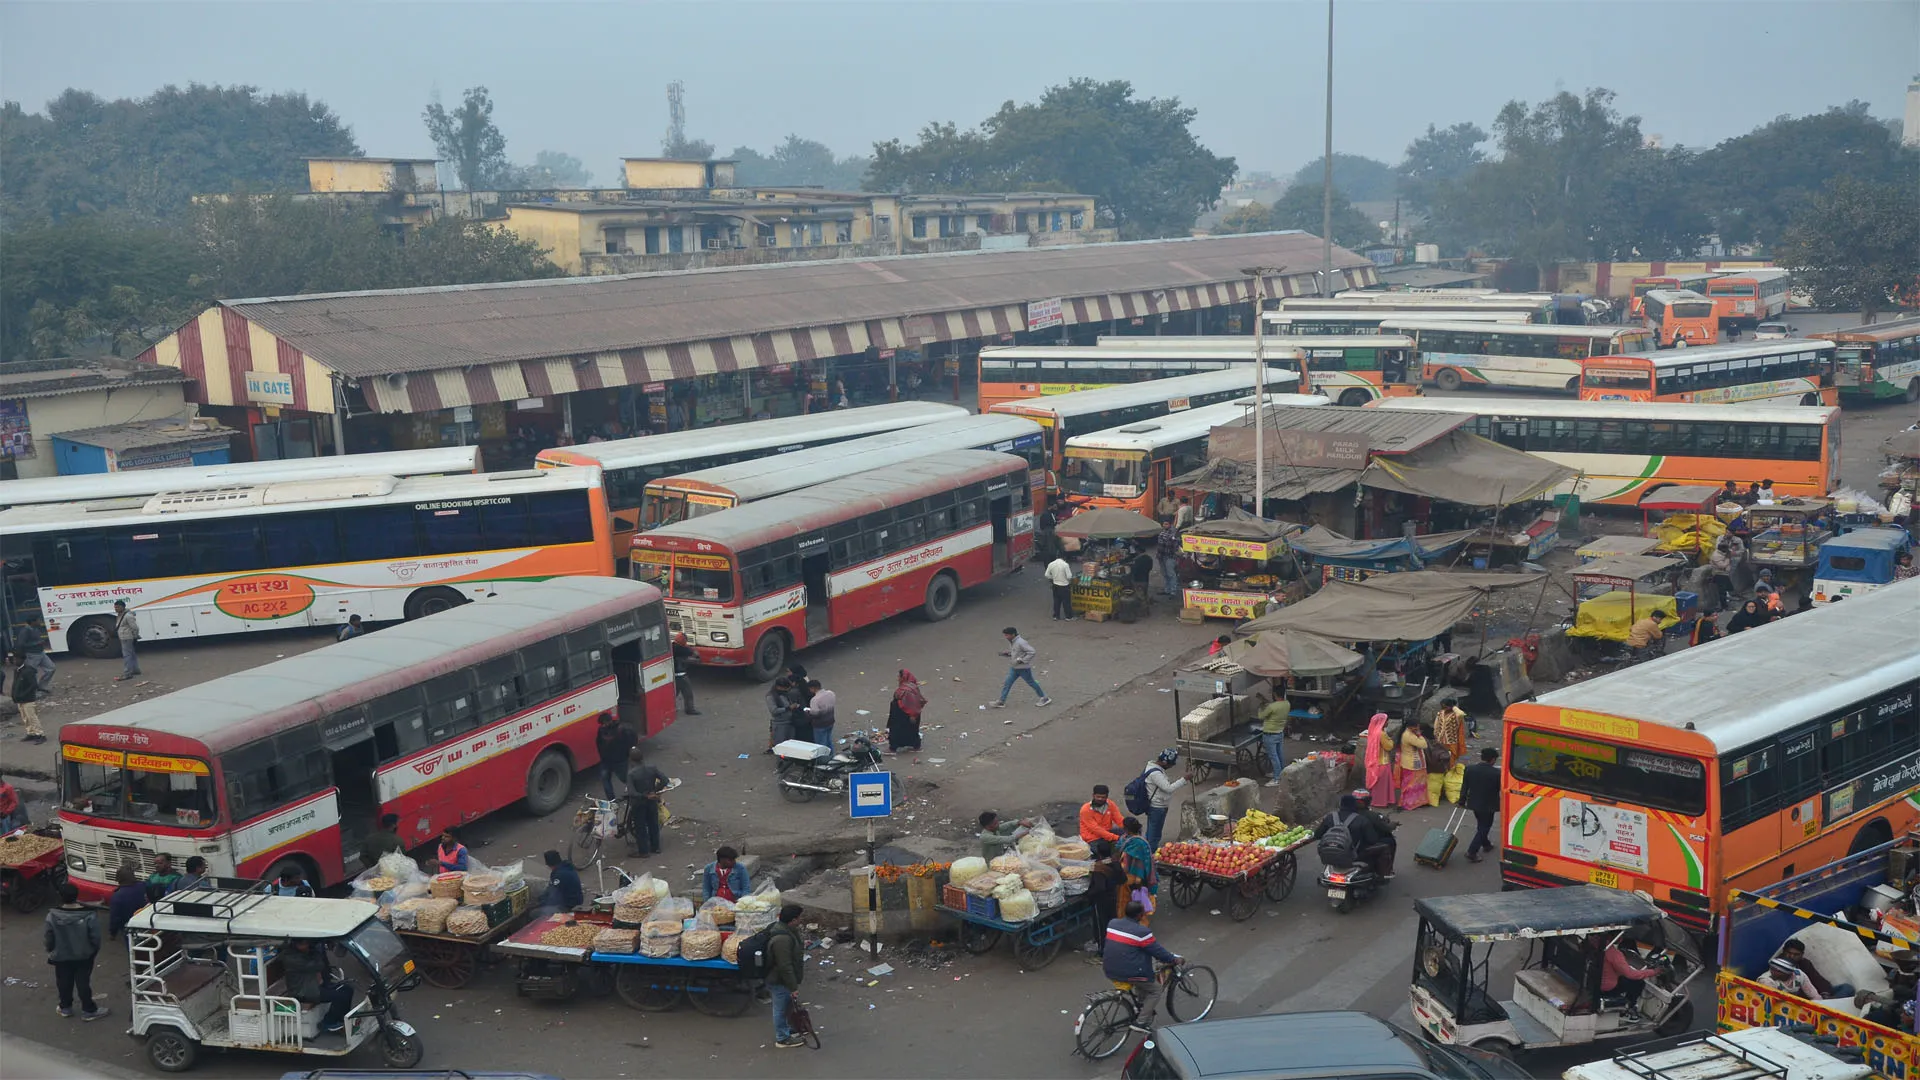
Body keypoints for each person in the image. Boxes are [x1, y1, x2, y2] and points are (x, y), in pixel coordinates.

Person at [1103, 900, 1182, 1033]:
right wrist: (1173, 959)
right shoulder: (1142, 932)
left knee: (1142, 983)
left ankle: (1139, 1006)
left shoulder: (1113, 923)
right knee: (1155, 990)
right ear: (1140, 915)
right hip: (1130, 972)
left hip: (1109, 968)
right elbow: (1157, 951)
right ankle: (1140, 1022)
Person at [44, 881, 108, 1021]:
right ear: (76, 895)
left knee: (63, 982)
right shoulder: (89, 915)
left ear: (60, 896)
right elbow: (95, 938)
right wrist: (92, 951)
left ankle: (65, 1007)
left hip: (61, 956)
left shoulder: (52, 916)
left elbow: (49, 938)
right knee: (83, 982)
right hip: (84, 956)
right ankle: (88, 1010)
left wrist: (50, 950)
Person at [283, 937, 355, 1033]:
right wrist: (316, 951)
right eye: (304, 944)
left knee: (347, 989)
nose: (307, 945)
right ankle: (328, 1022)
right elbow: (318, 965)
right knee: (340, 996)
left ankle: (340, 1019)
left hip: (314, 985)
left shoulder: (302, 953)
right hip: (304, 992)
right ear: (296, 944)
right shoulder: (292, 958)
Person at [1314, 793, 1391, 878]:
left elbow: (1317, 835)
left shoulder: (1330, 817)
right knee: (1384, 846)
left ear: (1340, 804)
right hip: (1354, 856)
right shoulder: (1361, 820)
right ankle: (1382, 876)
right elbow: (1372, 840)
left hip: (1328, 855)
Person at [766, 902, 807, 1048]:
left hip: (783, 978)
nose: (801, 920)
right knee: (780, 1008)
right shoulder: (782, 939)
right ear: (793, 920)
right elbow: (785, 966)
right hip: (779, 979)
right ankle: (782, 1038)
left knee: (787, 1005)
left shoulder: (788, 930)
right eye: (799, 918)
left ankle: (790, 1029)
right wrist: (793, 986)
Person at [1601, 938, 1664, 1021]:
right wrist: (1654, 972)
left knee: (1624, 978)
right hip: (1607, 988)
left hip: (1594, 982)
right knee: (1638, 982)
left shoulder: (1594, 945)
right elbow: (1631, 974)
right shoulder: (1613, 953)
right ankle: (1628, 1008)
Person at [992, 627, 1051, 708]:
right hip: (1015, 667)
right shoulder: (1012, 641)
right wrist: (1008, 654)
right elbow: (1017, 653)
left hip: (1023, 668)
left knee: (1031, 683)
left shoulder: (1021, 642)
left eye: (1007, 635)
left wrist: (1022, 660)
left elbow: (1032, 652)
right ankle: (1001, 701)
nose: (1006, 637)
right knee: (1007, 683)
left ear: (1013, 634)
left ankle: (1044, 698)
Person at [1142, 748, 1187, 851]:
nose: (1171, 767)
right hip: (1157, 807)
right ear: (1164, 762)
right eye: (1171, 764)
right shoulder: (1155, 773)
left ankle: (1148, 850)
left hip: (1158, 806)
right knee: (1154, 834)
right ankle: (1150, 854)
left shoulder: (1154, 768)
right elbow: (1168, 788)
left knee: (1153, 832)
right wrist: (1184, 779)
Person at [625, 749, 668, 856]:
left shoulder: (631, 774)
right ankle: (656, 847)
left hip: (639, 803)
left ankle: (643, 851)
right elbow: (665, 780)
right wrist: (655, 791)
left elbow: (632, 792)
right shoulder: (652, 768)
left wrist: (645, 796)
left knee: (641, 827)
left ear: (630, 760)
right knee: (653, 824)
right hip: (652, 801)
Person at [1462, 748, 1502, 863]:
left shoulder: (1470, 769)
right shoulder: (1496, 773)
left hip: (1474, 803)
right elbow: (1499, 789)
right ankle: (1472, 851)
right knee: (1485, 827)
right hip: (1489, 805)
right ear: (1493, 760)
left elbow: (1464, 787)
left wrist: (1461, 801)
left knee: (1481, 824)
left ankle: (1486, 844)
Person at [1117, 817, 1156, 924]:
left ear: (1126, 829)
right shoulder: (1140, 842)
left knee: (1129, 901)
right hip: (1134, 877)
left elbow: (1135, 864)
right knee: (1136, 902)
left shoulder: (1131, 841)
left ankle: (1129, 924)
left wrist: (1138, 880)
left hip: (1133, 878)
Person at [1351, 789, 1399, 876]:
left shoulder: (1341, 814)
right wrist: (1393, 825)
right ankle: (1386, 871)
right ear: (1368, 801)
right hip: (1362, 848)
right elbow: (1386, 828)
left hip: (1345, 847)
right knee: (1390, 841)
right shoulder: (1372, 816)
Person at [1778, 938, 1844, 998]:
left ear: (1802, 955)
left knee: (1847, 988)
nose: (1791, 956)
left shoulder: (1805, 963)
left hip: (1815, 994)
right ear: (1783, 951)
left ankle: (1830, 1003)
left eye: (1796, 954)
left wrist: (1825, 994)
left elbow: (1818, 979)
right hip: (1798, 998)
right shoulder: (1776, 964)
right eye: (1788, 953)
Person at [595, 713, 638, 796]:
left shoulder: (622, 730)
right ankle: (612, 800)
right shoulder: (601, 730)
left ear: (609, 721)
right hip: (606, 761)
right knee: (605, 779)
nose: (603, 725)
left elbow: (631, 741)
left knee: (624, 778)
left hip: (620, 760)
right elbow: (599, 743)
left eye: (604, 723)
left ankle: (635, 791)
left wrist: (627, 753)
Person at [7, 652, 45, 744]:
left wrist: (24, 694)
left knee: (32, 717)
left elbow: (33, 685)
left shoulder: (28, 671)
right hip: (20, 699)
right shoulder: (17, 670)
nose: (15, 661)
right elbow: (15, 684)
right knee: (25, 717)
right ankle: (31, 733)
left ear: (22, 660)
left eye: (16, 659)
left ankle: (40, 734)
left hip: (28, 699)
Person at [1257, 685, 1290, 787]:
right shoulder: (1287, 704)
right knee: (1279, 754)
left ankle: (1276, 779)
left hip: (1270, 734)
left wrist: (1261, 706)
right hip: (1279, 732)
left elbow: (1261, 716)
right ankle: (1280, 773)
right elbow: (1274, 708)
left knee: (1273, 756)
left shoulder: (1272, 707)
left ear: (1275, 694)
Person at [1084, 839, 1125, 920]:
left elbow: (1100, 887)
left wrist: (1089, 894)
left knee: (1102, 923)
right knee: (1113, 918)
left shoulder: (1099, 868)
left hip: (1102, 901)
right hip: (1114, 897)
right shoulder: (1116, 863)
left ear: (1099, 854)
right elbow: (1123, 879)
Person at [887, 669, 926, 752]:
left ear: (903, 677)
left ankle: (893, 748)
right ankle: (915, 745)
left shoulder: (906, 690)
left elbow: (912, 703)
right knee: (911, 730)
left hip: (903, 715)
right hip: (906, 714)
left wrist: (912, 715)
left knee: (897, 730)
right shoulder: (912, 687)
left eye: (899, 676)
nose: (898, 679)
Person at [14, 616, 54, 693]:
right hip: (31, 655)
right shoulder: (25, 631)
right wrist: (37, 643)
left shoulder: (35, 628)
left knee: (51, 668)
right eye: (38, 620)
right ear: (33, 622)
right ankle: (33, 691)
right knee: (31, 673)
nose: (40, 622)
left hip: (41, 653)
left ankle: (41, 686)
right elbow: (21, 644)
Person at [107, 861, 147, 939]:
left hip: (129, 927)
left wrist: (113, 933)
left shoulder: (117, 896)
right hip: (146, 923)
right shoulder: (143, 886)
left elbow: (115, 917)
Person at [1364, 713, 1395, 806]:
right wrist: (1391, 740)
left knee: (1377, 785)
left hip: (1373, 761)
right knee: (1382, 785)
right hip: (1383, 762)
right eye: (1387, 720)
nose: (1388, 722)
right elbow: (1389, 747)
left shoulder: (1372, 731)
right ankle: (1380, 802)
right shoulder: (1382, 734)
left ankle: (1375, 801)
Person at [1397, 724, 1430, 811]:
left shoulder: (1409, 733)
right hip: (1411, 764)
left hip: (1415, 763)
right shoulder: (1409, 735)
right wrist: (1419, 735)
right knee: (1410, 785)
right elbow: (1423, 745)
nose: (1418, 728)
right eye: (1416, 726)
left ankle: (1417, 802)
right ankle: (1408, 803)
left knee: (1418, 784)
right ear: (1410, 726)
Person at [671, 632, 701, 716]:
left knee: (673, 694)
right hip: (681, 675)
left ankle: (668, 709)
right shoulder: (683, 649)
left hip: (673, 675)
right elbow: (696, 655)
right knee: (688, 693)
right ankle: (690, 709)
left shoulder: (672, 646)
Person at [765, 677, 797, 752]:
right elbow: (774, 710)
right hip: (780, 724)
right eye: (785, 688)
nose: (787, 689)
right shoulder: (771, 697)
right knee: (780, 745)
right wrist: (788, 708)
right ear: (779, 687)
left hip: (790, 721)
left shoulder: (785, 693)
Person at [112, 599, 141, 681]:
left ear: (122, 607)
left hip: (126, 637)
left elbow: (135, 627)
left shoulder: (127, 616)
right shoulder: (121, 614)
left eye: (117, 607)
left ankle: (127, 673)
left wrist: (135, 636)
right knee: (131, 654)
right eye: (115, 607)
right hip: (125, 637)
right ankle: (135, 670)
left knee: (127, 655)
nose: (115, 609)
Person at [802, 679, 837, 746]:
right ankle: (831, 755)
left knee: (821, 744)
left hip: (820, 725)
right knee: (828, 740)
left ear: (813, 688)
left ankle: (824, 756)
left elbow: (815, 714)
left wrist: (807, 712)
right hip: (830, 721)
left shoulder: (815, 700)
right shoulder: (831, 693)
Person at [1155, 519, 1182, 599]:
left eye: (1166, 524)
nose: (1165, 525)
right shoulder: (1162, 532)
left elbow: (1175, 545)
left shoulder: (1174, 533)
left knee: (1171, 574)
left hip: (1170, 556)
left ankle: (1173, 592)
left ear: (1170, 524)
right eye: (1164, 524)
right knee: (1164, 574)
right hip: (1161, 556)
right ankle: (1167, 590)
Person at [1045, 552, 1074, 620]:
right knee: (1066, 602)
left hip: (1055, 585)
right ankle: (1068, 617)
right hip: (1064, 586)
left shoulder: (1051, 564)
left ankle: (1056, 616)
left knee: (1056, 601)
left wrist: (1053, 578)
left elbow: (1046, 575)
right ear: (1064, 557)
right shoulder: (1065, 565)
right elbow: (1069, 576)